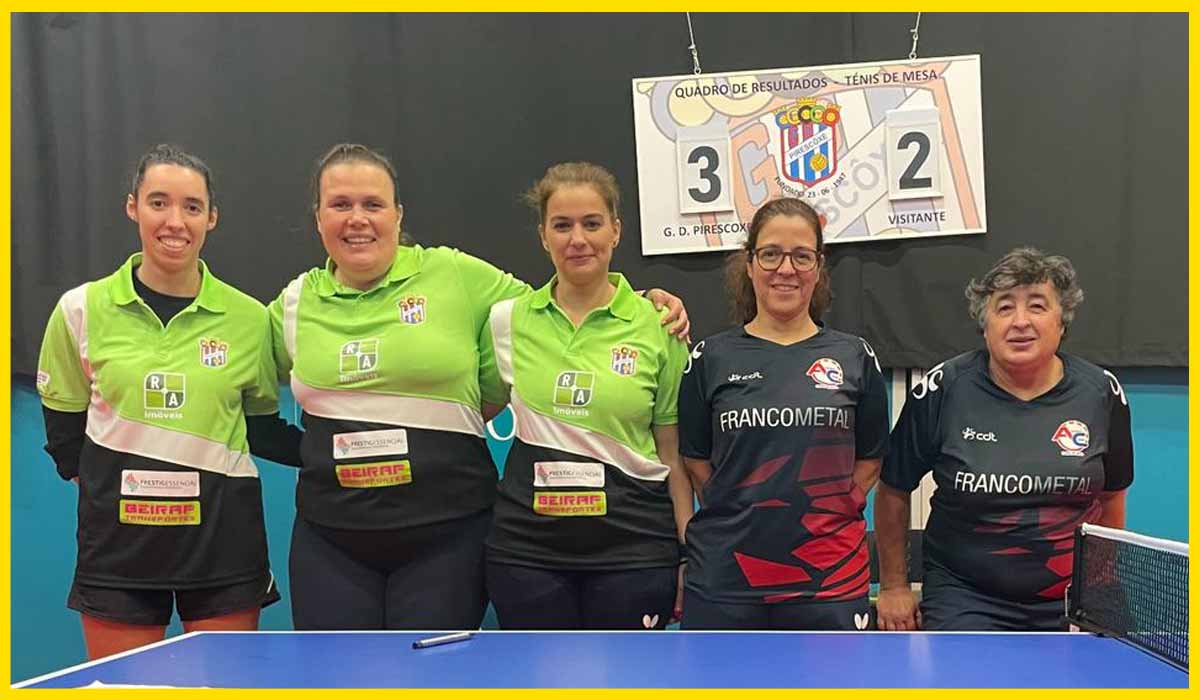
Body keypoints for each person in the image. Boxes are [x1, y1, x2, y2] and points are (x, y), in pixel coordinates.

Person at [269, 145, 689, 630]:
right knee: (335, 669)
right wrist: (314, 452)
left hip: (448, 535)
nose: (357, 219)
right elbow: (240, 397)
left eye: (373, 204)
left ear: (398, 214)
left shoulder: (457, 276)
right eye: (341, 204)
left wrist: (644, 304)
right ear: (318, 217)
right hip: (333, 537)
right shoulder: (293, 304)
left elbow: (567, 301)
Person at [36, 144, 298, 659]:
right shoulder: (79, 309)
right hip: (120, 550)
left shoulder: (250, 319)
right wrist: (114, 489)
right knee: (126, 691)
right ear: (132, 207)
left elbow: (261, 428)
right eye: (159, 202)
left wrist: (330, 457)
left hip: (223, 545)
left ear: (211, 217)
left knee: (226, 689)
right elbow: (64, 434)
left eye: (192, 207)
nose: (175, 221)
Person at [479, 162, 692, 630]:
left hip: (634, 548)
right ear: (543, 236)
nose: (578, 239)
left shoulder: (660, 326)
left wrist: (686, 551)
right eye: (562, 225)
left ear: (616, 230)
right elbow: (471, 414)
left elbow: (671, 454)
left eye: (592, 224)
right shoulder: (507, 321)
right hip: (527, 553)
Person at [875, 247, 1134, 632]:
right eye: (1005, 307)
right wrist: (894, 585)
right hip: (965, 596)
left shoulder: (1102, 393)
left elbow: (1111, 499)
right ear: (985, 324)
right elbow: (893, 489)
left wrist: (1095, 584)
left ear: (1062, 321)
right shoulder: (942, 389)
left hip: (1071, 595)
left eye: (1037, 306)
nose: (1020, 321)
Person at [676, 197, 889, 630]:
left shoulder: (855, 356)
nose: (786, 269)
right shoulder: (709, 358)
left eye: (802, 256)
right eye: (771, 254)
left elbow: (871, 459)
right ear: (750, 264)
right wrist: (739, 510)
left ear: (819, 266)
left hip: (829, 578)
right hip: (727, 576)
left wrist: (834, 507)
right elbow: (696, 461)